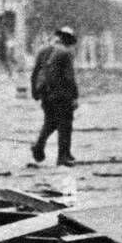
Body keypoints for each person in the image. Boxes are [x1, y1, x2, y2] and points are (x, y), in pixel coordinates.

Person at [30, 26, 79, 167]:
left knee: (50, 121)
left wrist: (34, 91)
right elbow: (69, 77)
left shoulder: (42, 51)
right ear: (67, 39)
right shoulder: (65, 53)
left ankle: (39, 145)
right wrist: (74, 96)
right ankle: (63, 156)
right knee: (65, 123)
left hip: (45, 92)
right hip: (61, 94)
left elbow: (34, 73)